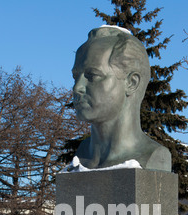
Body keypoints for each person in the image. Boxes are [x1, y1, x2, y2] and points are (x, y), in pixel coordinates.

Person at [72, 26, 171, 171]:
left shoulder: (152, 156)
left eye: (92, 76)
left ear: (131, 83)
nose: (77, 88)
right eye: (75, 77)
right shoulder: (81, 158)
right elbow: (79, 196)